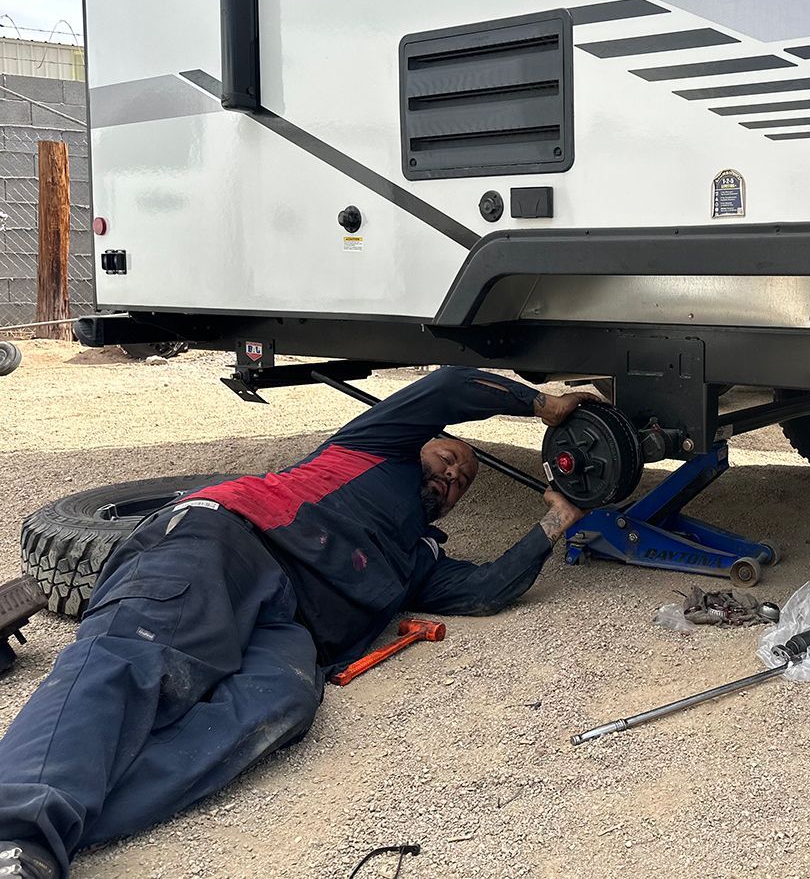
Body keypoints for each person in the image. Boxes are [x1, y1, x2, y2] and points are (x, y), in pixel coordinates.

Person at [0, 366, 587, 878]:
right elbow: (449, 388)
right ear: (419, 446)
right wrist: (539, 403)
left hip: (288, 623)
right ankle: (17, 834)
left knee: (280, 703)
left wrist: (557, 520)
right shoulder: (372, 446)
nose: (452, 476)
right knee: (135, 662)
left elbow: (487, 590)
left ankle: (62, 819)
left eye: (460, 485)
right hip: (223, 542)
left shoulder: (417, 558)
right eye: (448, 458)